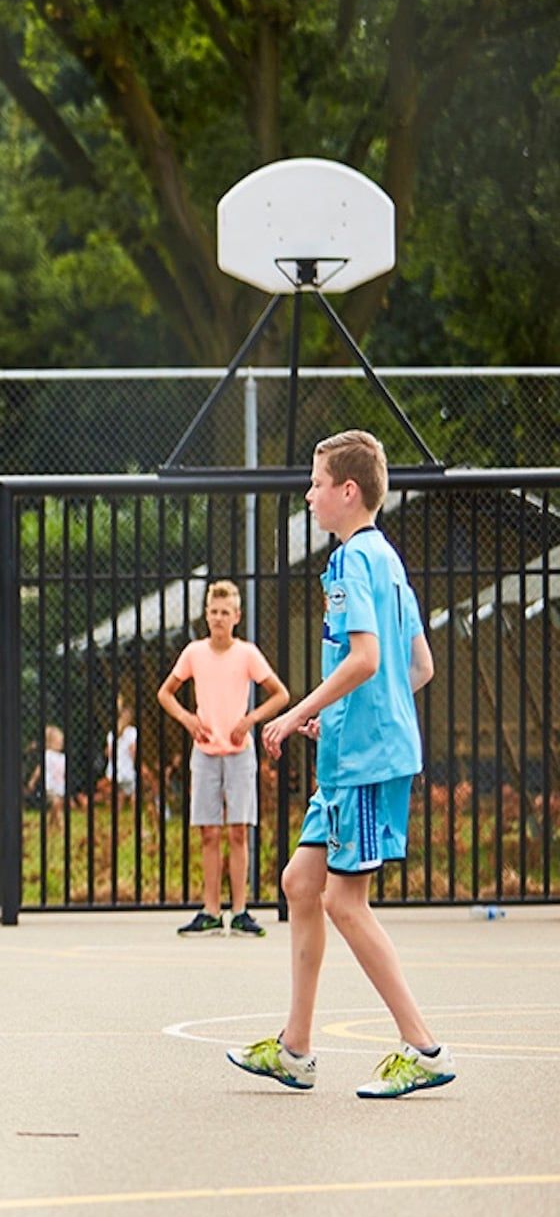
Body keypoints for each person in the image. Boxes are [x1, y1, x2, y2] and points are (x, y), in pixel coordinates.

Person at [228, 430, 452, 1099]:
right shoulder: (387, 560)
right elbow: (419, 667)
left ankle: (425, 1047)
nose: (309, 492)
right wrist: (347, 714)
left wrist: (296, 712)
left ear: (346, 491)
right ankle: (295, 1049)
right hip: (354, 748)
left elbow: (366, 660)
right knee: (301, 882)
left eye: (317, 482)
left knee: (343, 901)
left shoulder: (357, 559)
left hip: (362, 761)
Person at [157, 580, 290, 937]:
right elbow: (166, 693)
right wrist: (188, 719)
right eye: (213, 612)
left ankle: (241, 910)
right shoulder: (194, 653)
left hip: (239, 753)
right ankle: (211, 910)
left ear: (236, 616)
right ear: (206, 615)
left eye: (225, 612)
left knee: (238, 832)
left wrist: (248, 720)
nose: (218, 618)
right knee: (209, 833)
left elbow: (280, 694)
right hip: (205, 753)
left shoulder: (246, 654)